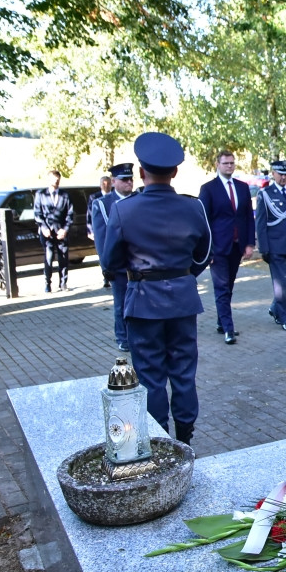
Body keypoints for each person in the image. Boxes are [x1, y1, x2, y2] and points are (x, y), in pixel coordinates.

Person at [101, 132, 212, 444]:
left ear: (140, 173)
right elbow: (204, 254)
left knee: (150, 377)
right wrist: (183, 275)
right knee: (183, 374)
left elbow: (110, 261)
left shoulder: (124, 210)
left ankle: (161, 442)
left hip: (143, 302)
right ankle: (186, 440)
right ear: (175, 172)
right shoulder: (193, 208)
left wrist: (137, 275)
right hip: (183, 301)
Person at [198, 150, 255, 345]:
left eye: (232, 163)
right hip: (218, 248)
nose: (229, 166)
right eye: (225, 163)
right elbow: (203, 221)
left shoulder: (242, 187)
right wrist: (207, 250)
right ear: (217, 165)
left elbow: (248, 217)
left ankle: (222, 322)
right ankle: (228, 329)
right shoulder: (208, 189)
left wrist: (249, 243)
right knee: (221, 287)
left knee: (229, 287)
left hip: (237, 246)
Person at [91, 163, 137, 350]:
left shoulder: (138, 199)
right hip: (118, 265)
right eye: (124, 180)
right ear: (114, 182)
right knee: (121, 304)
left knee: (138, 303)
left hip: (138, 262)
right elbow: (102, 239)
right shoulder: (102, 204)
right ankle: (122, 338)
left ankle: (136, 336)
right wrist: (106, 266)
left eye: (131, 179)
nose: (129, 183)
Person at [255, 159, 286, 332]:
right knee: (282, 285)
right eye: (280, 174)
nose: (284, 177)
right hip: (275, 246)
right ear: (273, 174)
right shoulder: (265, 194)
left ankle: (275, 308)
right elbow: (260, 223)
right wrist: (263, 248)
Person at [33, 170, 73, 293]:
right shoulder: (40, 194)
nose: (55, 182)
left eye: (57, 180)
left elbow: (70, 214)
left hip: (61, 231)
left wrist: (65, 229)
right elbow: (37, 214)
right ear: (49, 180)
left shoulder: (65, 195)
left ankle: (63, 283)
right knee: (48, 258)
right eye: (53, 179)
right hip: (47, 232)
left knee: (63, 258)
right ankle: (47, 283)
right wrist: (44, 228)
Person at [87, 175, 112, 288]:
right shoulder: (94, 197)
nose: (106, 186)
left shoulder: (114, 196)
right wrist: (90, 230)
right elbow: (89, 215)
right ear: (100, 185)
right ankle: (106, 276)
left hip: (112, 230)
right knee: (102, 254)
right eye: (104, 184)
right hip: (101, 230)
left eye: (108, 184)